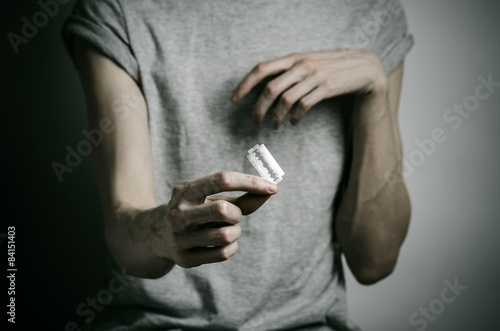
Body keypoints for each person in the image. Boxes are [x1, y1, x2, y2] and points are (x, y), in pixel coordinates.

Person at [62, 0, 414, 329]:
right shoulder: (120, 9)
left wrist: (375, 89)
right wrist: (163, 234)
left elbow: (374, 262)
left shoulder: (372, 12)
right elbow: (124, 234)